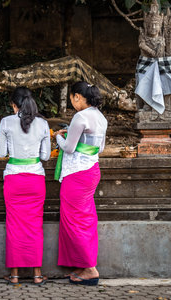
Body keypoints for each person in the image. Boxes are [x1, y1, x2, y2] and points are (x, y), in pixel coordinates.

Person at [53, 81, 107, 286]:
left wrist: (59, 137)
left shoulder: (80, 116)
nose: (72, 103)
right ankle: (83, 264)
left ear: (77, 96)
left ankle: (90, 269)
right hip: (92, 171)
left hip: (76, 173)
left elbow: (68, 148)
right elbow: (99, 148)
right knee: (85, 218)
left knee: (75, 220)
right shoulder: (100, 117)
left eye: (72, 99)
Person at [0, 87, 51, 285]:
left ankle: (15, 275)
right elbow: (45, 156)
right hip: (35, 179)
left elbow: (2, 153)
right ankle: (37, 274)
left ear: (14, 105)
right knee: (35, 226)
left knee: (14, 226)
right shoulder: (43, 124)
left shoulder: (6, 122)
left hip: (14, 180)